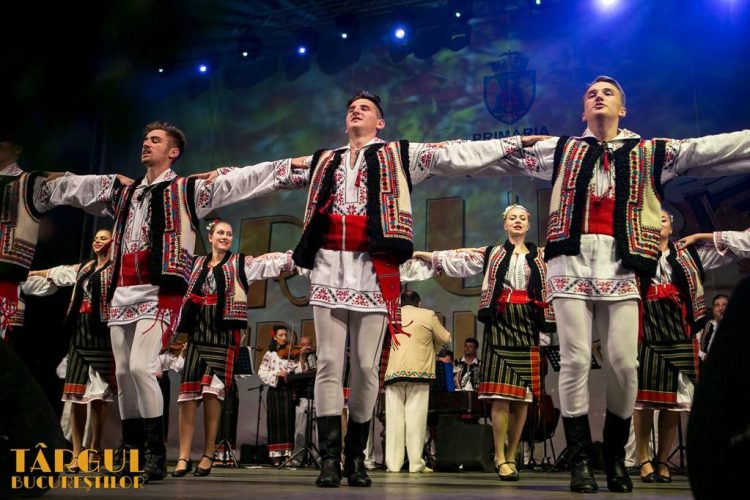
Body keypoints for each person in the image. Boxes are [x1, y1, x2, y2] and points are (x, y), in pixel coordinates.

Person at [215, 90, 543, 487]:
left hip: (373, 269)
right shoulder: (324, 160)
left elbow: (453, 154)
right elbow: (269, 173)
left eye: (365, 108)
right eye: (352, 108)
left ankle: (355, 456)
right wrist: (220, 179)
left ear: (380, 122)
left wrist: (513, 142)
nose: (356, 110)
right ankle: (330, 459)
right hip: (329, 267)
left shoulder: (398, 154)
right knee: (329, 364)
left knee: (367, 367)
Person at [481, 76, 750, 493]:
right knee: (574, 360)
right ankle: (580, 460)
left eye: (608, 93)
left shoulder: (649, 151)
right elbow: (487, 158)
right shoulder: (563, 149)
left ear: (622, 109)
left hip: (622, 265)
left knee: (624, 363)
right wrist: (514, 143)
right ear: (582, 112)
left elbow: (710, 148)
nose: (599, 97)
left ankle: (613, 457)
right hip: (570, 263)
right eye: (591, 94)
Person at [40, 121, 290, 481]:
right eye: (145, 139)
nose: (146, 143)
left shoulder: (187, 189)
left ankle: (155, 455)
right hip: (122, 293)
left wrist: (294, 168)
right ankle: (133, 452)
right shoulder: (124, 192)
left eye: (155, 140)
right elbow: (77, 186)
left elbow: (244, 181)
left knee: (142, 368)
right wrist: (42, 181)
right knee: (123, 374)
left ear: (173, 152)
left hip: (160, 292)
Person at [411, 204, 554, 481]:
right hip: (500, 321)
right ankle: (499, 455)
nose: (517, 221)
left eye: (522, 218)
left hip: (528, 323)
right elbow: (460, 258)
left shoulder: (541, 256)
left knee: (522, 400)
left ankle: (511, 454)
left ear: (528, 224)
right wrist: (428, 255)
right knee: (501, 395)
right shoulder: (492, 253)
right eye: (512, 218)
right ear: (505, 224)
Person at [633, 210, 750, 483]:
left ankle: (663, 460)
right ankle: (644, 459)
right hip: (647, 330)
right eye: (652, 219)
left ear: (672, 226)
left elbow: (738, 248)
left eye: (663, 219)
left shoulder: (689, 254)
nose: (658, 223)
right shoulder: (634, 255)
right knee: (644, 401)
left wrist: (699, 237)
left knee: (673, 403)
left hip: (680, 330)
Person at [172, 221, 294, 476]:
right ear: (210, 237)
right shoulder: (195, 264)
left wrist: (292, 258)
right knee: (187, 397)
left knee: (212, 394)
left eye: (229, 234)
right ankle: (183, 457)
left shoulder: (239, 263)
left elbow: (265, 263)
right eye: (220, 233)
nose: (225, 237)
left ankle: (208, 454)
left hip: (223, 335)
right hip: (198, 334)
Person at [23, 228, 115, 472]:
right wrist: (29, 273)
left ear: (113, 242)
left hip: (102, 335)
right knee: (76, 396)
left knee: (98, 397)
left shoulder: (116, 270)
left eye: (103, 238)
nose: (97, 241)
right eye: (95, 238)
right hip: (79, 333)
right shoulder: (85, 268)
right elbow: (57, 273)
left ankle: (94, 449)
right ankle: (76, 452)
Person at [384, 290, 451, 474]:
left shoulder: (391, 315)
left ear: (400, 302)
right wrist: (434, 346)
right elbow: (445, 338)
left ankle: (393, 464)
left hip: (393, 372)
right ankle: (415, 464)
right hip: (419, 371)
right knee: (416, 420)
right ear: (419, 303)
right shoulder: (427, 314)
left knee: (394, 421)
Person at [258, 325, 301, 467]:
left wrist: (300, 361)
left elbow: (298, 369)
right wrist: (276, 374)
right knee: (275, 422)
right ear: (275, 337)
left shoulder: (291, 353)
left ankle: (288, 455)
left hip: (288, 390)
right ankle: (275, 456)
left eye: (285, 335)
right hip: (275, 390)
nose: (284, 338)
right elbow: (261, 372)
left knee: (288, 421)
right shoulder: (270, 354)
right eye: (281, 335)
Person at [698, 294, 728, 362]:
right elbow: (696, 349)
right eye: (717, 305)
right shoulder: (706, 326)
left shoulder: (736, 327)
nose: (720, 308)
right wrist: (704, 356)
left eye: (724, 305)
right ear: (713, 309)